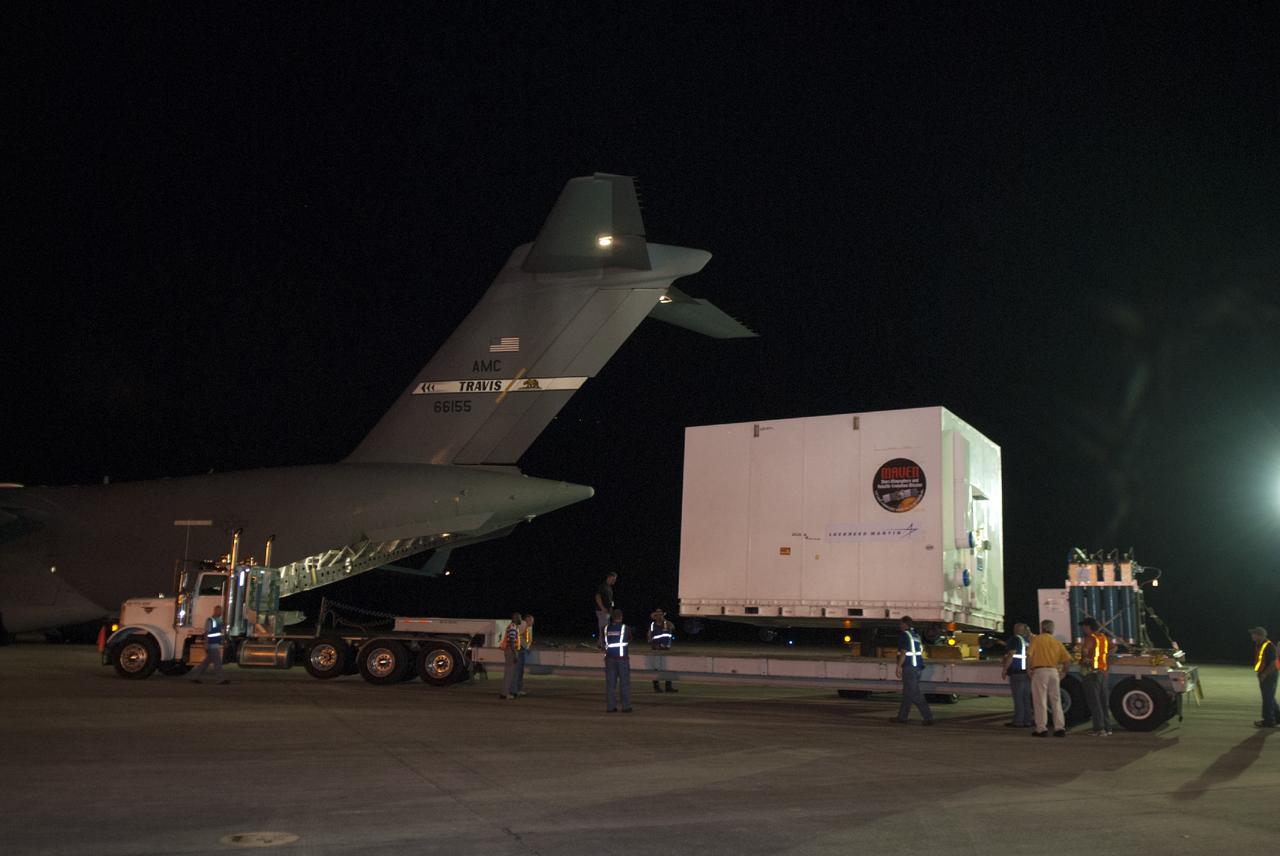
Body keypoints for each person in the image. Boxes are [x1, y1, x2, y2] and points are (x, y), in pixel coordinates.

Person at [1028, 619, 1072, 737]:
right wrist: (1064, 672)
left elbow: (1029, 656)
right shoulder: (1057, 642)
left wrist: (1028, 670)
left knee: (1040, 700)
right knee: (1056, 700)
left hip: (1040, 671)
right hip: (1054, 671)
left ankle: (1041, 728)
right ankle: (1059, 728)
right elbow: (1067, 660)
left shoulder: (1036, 639)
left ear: (1042, 628)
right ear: (1052, 629)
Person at [890, 616, 933, 725]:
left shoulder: (905, 635)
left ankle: (928, 718)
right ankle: (902, 717)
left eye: (901, 624)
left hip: (909, 668)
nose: (899, 626)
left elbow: (904, 652)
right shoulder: (916, 636)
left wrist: (899, 666)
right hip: (917, 667)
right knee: (907, 694)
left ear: (905, 624)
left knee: (914, 694)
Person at [1078, 617, 1112, 736]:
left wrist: (1085, 659)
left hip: (1092, 672)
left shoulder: (1090, 638)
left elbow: (1085, 650)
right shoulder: (1103, 637)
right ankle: (1107, 728)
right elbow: (1113, 649)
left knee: (1094, 701)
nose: (1082, 629)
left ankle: (1099, 729)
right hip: (1103, 671)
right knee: (1103, 701)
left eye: (1083, 626)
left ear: (1088, 627)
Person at [1001, 622, 1032, 729]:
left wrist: (1005, 669)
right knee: (1026, 698)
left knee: (1018, 698)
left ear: (1017, 629)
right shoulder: (1028, 641)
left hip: (1017, 672)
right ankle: (1028, 720)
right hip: (1027, 673)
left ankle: (1018, 721)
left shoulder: (1015, 639)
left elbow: (1011, 654)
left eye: (1015, 627)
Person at [190, 604, 229, 684]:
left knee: (206, 662)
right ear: (215, 610)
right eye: (220, 611)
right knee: (217, 662)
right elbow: (207, 632)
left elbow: (219, 631)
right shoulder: (210, 620)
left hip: (214, 644)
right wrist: (206, 643)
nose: (221, 612)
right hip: (212, 644)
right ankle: (220, 679)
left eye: (221, 611)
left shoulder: (218, 620)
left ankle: (195, 677)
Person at [603, 608, 633, 713]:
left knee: (610, 684)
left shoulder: (606, 628)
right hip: (622, 659)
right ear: (621, 617)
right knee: (624, 683)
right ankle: (626, 706)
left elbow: (603, 642)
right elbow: (629, 639)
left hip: (609, 659)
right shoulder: (625, 628)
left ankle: (611, 707)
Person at [1250, 626, 1278, 728]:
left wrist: (1265, 674)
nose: (1252, 636)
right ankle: (1277, 717)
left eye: (1254, 634)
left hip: (1269, 675)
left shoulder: (1268, 646)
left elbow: (1274, 663)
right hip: (1264, 674)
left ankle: (1269, 721)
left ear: (1260, 635)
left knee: (1267, 698)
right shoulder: (1260, 645)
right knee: (1269, 697)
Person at [648, 608, 678, 693]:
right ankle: (656, 687)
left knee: (668, 668)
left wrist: (664, 621)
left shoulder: (667, 623)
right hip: (656, 650)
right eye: (657, 615)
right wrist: (653, 644)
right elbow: (649, 637)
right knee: (656, 668)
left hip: (666, 650)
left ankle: (668, 686)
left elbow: (673, 627)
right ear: (655, 616)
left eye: (661, 614)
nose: (659, 616)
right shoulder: (652, 625)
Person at [499, 612, 522, 700]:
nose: (520, 619)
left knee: (509, 672)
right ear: (515, 618)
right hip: (511, 650)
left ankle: (504, 693)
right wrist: (515, 653)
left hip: (509, 650)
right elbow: (511, 641)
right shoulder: (513, 627)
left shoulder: (513, 626)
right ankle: (504, 694)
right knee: (509, 673)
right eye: (519, 618)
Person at [511, 614, 535, 697]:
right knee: (517, 671)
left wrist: (527, 646)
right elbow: (520, 636)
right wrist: (526, 646)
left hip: (522, 649)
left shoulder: (528, 627)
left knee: (520, 671)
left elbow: (528, 638)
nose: (533, 622)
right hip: (519, 649)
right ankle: (514, 690)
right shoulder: (523, 624)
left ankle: (518, 689)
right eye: (532, 620)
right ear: (527, 620)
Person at [595, 573, 617, 649]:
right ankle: (602, 644)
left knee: (606, 627)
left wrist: (611, 611)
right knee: (603, 627)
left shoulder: (610, 588)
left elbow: (610, 601)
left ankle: (599, 643)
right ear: (609, 578)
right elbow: (597, 597)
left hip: (608, 612)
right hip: (602, 611)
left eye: (615, 579)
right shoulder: (602, 586)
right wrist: (602, 608)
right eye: (613, 579)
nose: (614, 581)